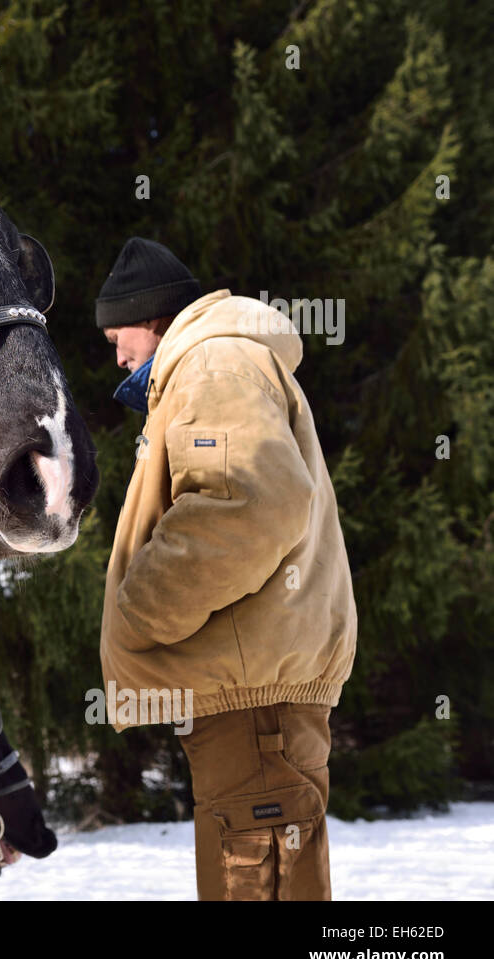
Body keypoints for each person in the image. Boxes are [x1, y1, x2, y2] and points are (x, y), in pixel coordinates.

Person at [95, 236, 357, 900]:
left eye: (115, 333)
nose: (114, 352)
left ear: (152, 318)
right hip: (251, 695)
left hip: (255, 702)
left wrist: (143, 607)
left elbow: (250, 500)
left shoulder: (213, 363)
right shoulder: (215, 364)